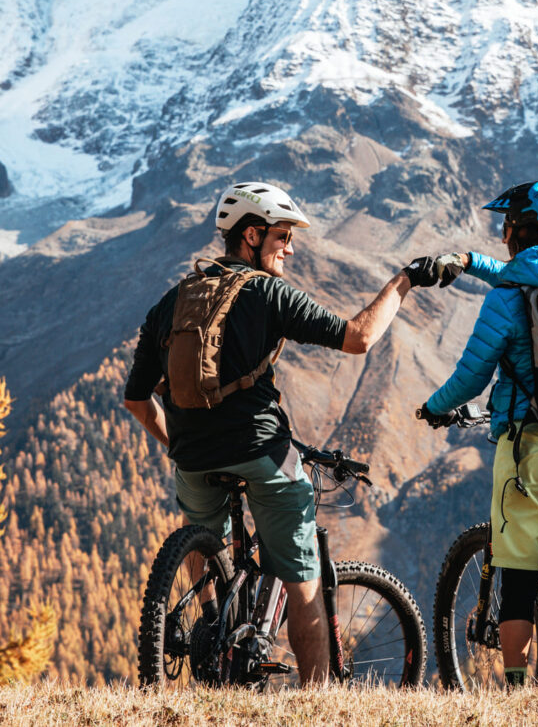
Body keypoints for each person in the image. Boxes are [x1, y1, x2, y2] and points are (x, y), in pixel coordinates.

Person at [124, 180, 423, 685]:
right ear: (251, 236)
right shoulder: (267, 291)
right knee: (301, 576)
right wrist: (404, 282)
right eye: (283, 235)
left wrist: (181, 446)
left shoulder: (172, 300)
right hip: (261, 450)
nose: (291, 246)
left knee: (206, 546)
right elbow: (359, 338)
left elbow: (136, 400)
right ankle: (316, 700)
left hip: (193, 458)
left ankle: (214, 640)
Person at [412, 180, 538, 686]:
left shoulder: (505, 301)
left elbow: (472, 375)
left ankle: (518, 691)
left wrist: (435, 408)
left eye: (507, 227)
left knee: (518, 574)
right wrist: (466, 262)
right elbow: (517, 274)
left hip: (529, 449)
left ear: (518, 230)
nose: (502, 236)